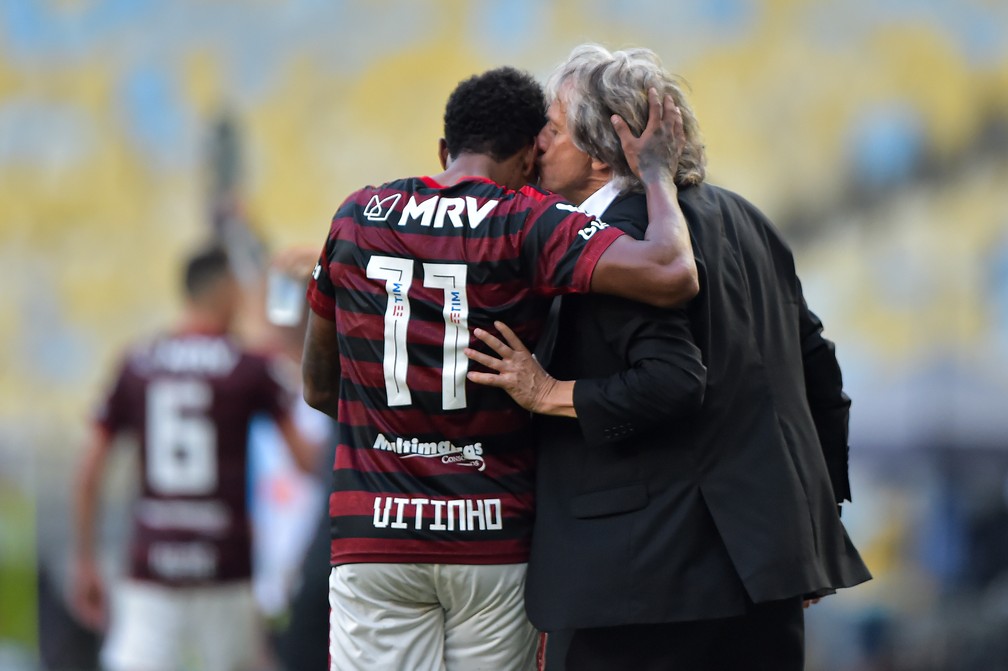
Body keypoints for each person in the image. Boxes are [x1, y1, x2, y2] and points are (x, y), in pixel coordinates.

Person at [466, 45, 872, 670]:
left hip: (643, 586)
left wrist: (547, 392)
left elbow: (671, 381)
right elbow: (820, 374)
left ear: (601, 152)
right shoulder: (746, 218)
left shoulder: (614, 245)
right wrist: (813, 523)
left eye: (552, 128)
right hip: (765, 572)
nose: (536, 143)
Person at [302, 66, 697, 671]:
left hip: (375, 535)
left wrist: (400, 433)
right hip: (492, 535)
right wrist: (656, 173)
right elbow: (672, 272)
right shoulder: (527, 219)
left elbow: (317, 386)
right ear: (528, 155)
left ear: (445, 149)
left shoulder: (356, 216)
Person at [71, 246, 318, 671]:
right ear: (224, 291)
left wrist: (85, 560)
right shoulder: (248, 368)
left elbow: (89, 471)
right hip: (224, 565)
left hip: (153, 562)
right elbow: (307, 461)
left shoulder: (137, 363)